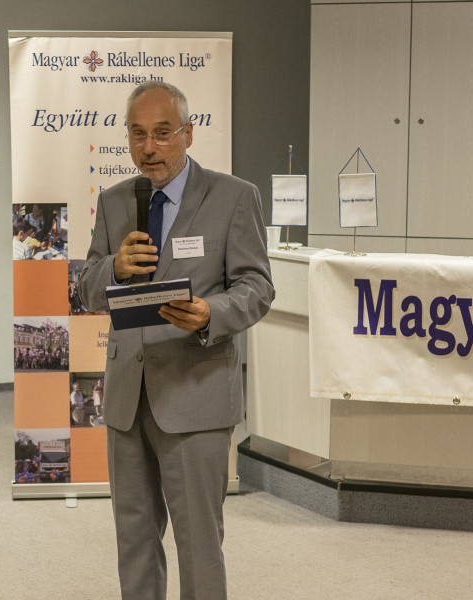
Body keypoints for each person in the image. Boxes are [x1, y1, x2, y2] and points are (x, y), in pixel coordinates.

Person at [77, 81, 274, 600]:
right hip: (127, 398)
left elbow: (257, 288)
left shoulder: (234, 197)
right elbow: (87, 285)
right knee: (134, 540)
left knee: (198, 543)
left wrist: (211, 313)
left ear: (188, 133)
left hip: (196, 395)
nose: (149, 147)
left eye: (162, 133)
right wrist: (114, 268)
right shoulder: (115, 201)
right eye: (138, 134)